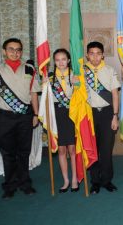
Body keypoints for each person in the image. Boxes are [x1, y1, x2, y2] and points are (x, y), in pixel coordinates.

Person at [0, 38, 40, 199]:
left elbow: (34, 94)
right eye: (11, 49)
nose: (15, 53)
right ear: (4, 51)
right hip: (4, 118)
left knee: (24, 152)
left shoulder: (29, 70)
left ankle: (25, 183)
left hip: (25, 117)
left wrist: (36, 114)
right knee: (8, 153)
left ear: (21, 52)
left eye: (18, 50)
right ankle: (9, 186)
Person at [84, 41, 120, 194]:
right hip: (89, 114)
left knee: (106, 149)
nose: (95, 56)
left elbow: (115, 95)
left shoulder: (110, 70)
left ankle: (106, 180)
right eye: (92, 53)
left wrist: (115, 116)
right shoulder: (81, 72)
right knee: (92, 149)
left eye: (98, 53)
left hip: (107, 113)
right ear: (87, 55)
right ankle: (95, 182)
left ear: (103, 55)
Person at [49, 48, 78, 193]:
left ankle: (74, 179)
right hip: (56, 115)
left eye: (63, 59)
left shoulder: (75, 75)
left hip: (71, 114)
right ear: (54, 61)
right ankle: (66, 180)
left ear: (68, 60)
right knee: (61, 150)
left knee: (72, 149)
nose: (61, 62)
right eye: (57, 60)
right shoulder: (49, 78)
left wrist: (77, 84)